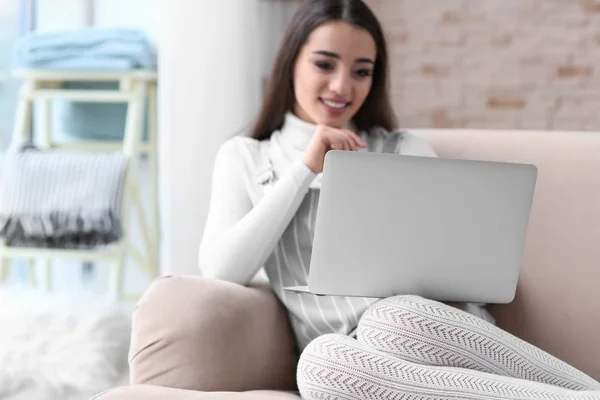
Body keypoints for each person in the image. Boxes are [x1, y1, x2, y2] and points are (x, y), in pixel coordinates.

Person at [198, 0, 600, 398]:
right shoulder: (245, 156)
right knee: (320, 365)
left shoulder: (401, 147)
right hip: (353, 364)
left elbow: (471, 271)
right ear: (291, 64)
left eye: (361, 72)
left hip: (430, 335)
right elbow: (221, 269)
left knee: (388, 322)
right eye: (324, 64)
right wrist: (305, 169)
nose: (341, 86)